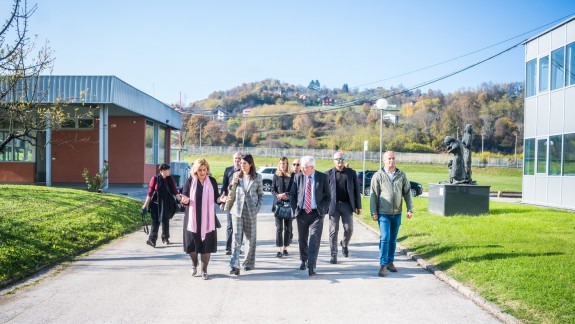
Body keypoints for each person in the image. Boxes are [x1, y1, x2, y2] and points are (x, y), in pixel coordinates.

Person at [180, 158, 227, 280]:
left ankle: (204, 270)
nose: (202, 172)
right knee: (191, 244)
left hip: (208, 219)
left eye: (204, 170)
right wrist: (183, 200)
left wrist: (220, 200)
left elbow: (216, 198)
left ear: (207, 170)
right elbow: (183, 196)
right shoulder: (190, 181)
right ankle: (194, 264)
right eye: (200, 170)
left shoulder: (212, 181)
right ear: (195, 170)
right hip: (192, 218)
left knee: (206, 245)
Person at [369, 151, 413, 277]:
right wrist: (373, 212)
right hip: (383, 213)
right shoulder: (378, 176)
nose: (391, 161)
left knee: (393, 240)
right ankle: (383, 264)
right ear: (384, 160)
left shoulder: (401, 175)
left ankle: (390, 262)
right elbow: (374, 196)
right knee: (385, 238)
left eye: (393, 158)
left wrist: (410, 209)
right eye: (389, 158)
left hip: (397, 213)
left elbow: (407, 193)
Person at [290, 156, 331, 277]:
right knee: (302, 239)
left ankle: (312, 266)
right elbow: (292, 194)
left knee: (314, 239)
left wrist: (322, 210)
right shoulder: (298, 177)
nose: (302, 169)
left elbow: (328, 196)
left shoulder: (322, 177)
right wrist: (294, 209)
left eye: (304, 167)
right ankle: (304, 259)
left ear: (312, 167)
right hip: (302, 213)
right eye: (301, 167)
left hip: (316, 213)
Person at [229, 154, 264, 276]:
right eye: (241, 163)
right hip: (237, 211)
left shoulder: (257, 177)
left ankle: (248, 263)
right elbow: (231, 192)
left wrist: (257, 208)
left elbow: (261, 194)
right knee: (236, 238)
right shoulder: (235, 175)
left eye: (244, 163)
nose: (242, 165)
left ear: (250, 164)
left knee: (250, 238)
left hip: (251, 211)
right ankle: (234, 265)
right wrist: (232, 184)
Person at [325, 152, 362, 264]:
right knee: (333, 230)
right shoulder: (327, 174)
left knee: (349, 228)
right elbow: (324, 192)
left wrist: (358, 206)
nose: (340, 161)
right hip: (333, 206)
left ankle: (344, 244)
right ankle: (334, 254)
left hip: (347, 205)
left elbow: (357, 191)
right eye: (337, 159)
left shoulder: (351, 173)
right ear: (333, 160)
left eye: (342, 158)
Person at [142, 163, 181, 247]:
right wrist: (145, 205)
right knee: (155, 222)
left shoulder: (170, 179)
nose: (169, 171)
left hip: (166, 204)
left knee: (165, 220)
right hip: (156, 204)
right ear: (162, 170)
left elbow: (175, 191)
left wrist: (181, 200)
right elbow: (150, 193)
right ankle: (152, 240)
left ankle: (165, 238)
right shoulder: (155, 179)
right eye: (168, 170)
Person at [220, 152, 242, 255]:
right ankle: (228, 248)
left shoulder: (244, 170)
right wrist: (221, 201)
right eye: (236, 158)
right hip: (230, 201)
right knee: (230, 225)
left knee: (240, 226)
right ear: (233, 159)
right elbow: (224, 186)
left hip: (241, 202)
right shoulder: (228, 170)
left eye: (239, 158)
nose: (237, 160)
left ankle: (238, 247)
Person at [271, 156, 293, 258]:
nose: (282, 165)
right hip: (278, 204)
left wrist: (286, 194)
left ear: (287, 164)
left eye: (284, 163)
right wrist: (278, 195)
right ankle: (279, 249)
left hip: (288, 204)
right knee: (279, 228)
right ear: (278, 165)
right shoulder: (276, 175)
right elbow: (272, 189)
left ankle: (285, 248)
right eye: (281, 163)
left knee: (288, 228)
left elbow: (294, 190)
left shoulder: (292, 176)